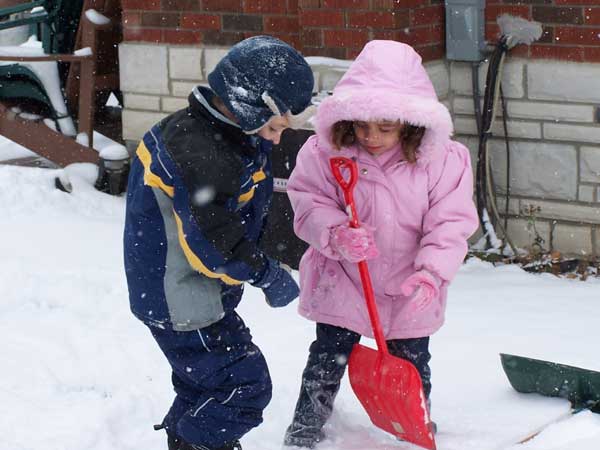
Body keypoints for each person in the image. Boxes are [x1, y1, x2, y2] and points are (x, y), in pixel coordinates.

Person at [283, 40, 479, 448]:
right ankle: (305, 427)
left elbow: (450, 222)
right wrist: (335, 233)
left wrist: (431, 275)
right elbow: (307, 201)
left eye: (386, 127)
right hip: (345, 277)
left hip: (410, 282)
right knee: (328, 357)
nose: (371, 136)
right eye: (362, 125)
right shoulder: (326, 152)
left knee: (411, 362)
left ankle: (413, 422)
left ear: (409, 122)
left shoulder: (442, 160)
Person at [123, 36, 315, 450]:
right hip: (181, 299)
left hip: (188, 292)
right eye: (274, 126)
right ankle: (196, 444)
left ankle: (194, 441)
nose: (277, 139)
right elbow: (214, 243)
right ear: (248, 104)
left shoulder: (222, 135)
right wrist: (266, 275)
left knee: (206, 388)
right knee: (245, 387)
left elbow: (237, 213)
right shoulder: (201, 152)